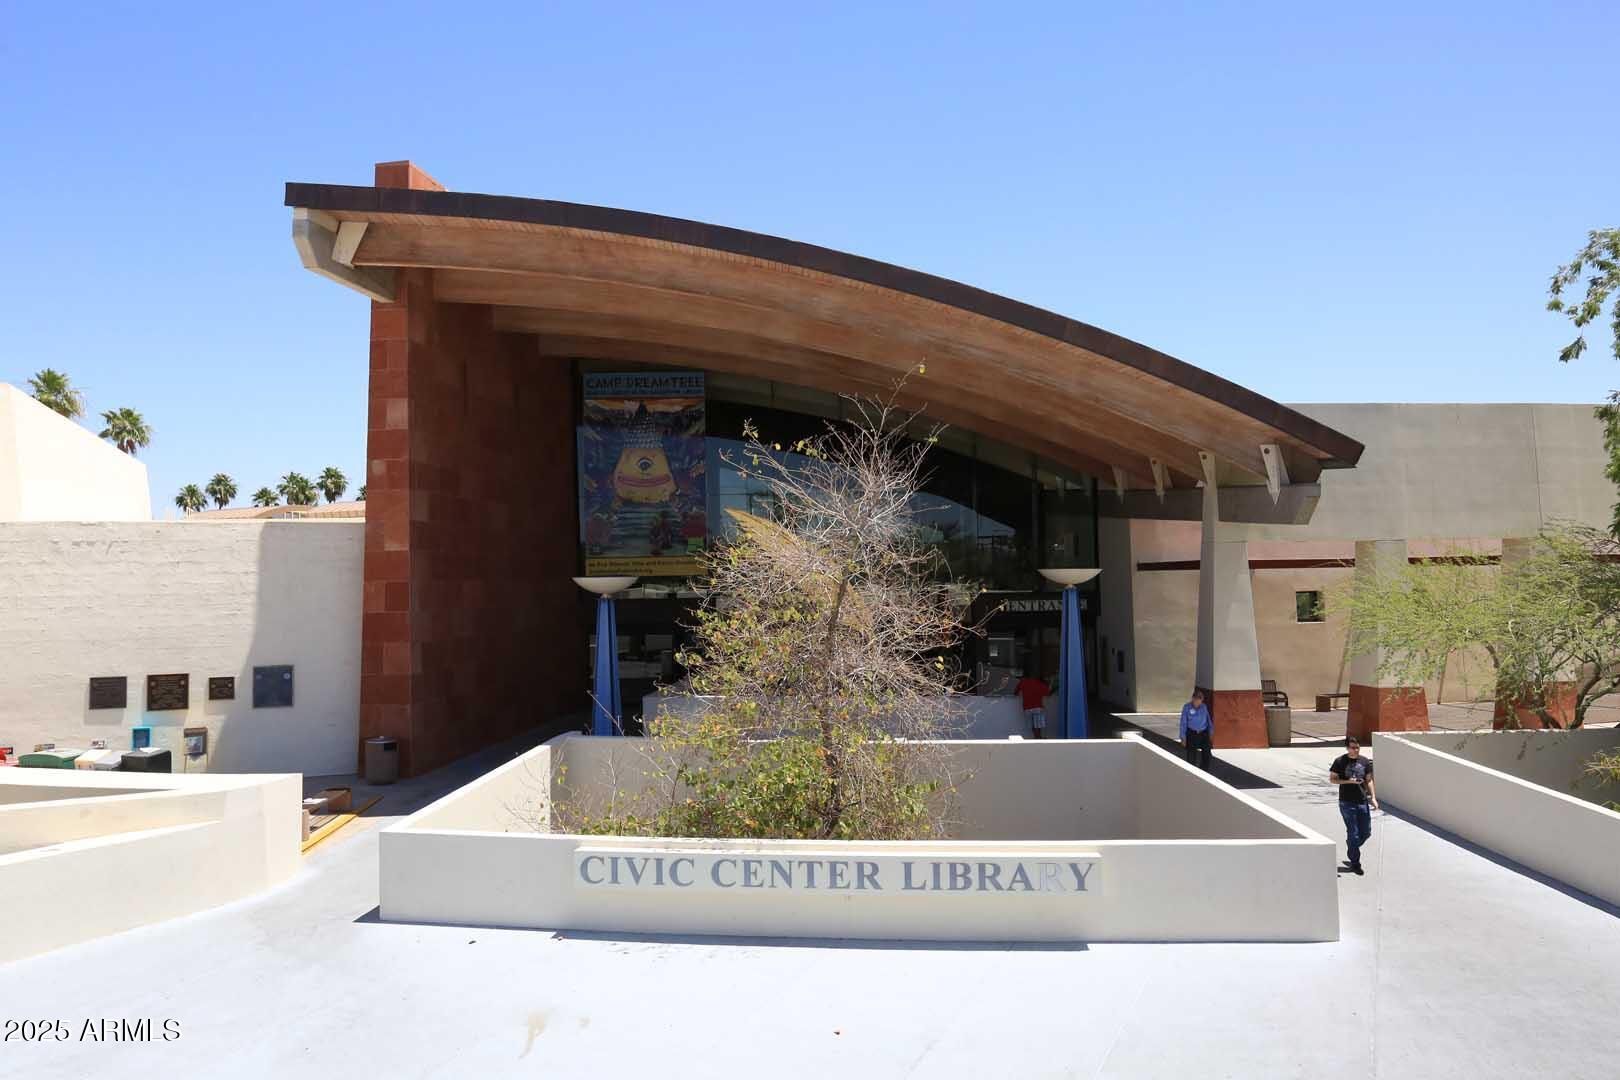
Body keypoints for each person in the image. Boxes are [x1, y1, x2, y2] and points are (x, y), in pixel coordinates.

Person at [1329, 737, 1379, 875]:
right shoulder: (1340, 761)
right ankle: (1355, 863)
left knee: (1366, 832)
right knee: (1354, 833)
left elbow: (1369, 780)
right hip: (1346, 802)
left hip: (1362, 801)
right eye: (1352, 748)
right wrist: (1348, 781)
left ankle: (1351, 846)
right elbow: (1332, 779)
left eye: (1357, 747)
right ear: (1347, 748)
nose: (1355, 750)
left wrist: (1373, 797)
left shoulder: (1364, 761)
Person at [1179, 689, 1213, 769]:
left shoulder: (1204, 707)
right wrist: (1183, 738)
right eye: (1196, 699)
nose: (1198, 702)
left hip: (1203, 732)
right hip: (1192, 733)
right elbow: (1183, 723)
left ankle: (1204, 771)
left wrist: (1211, 732)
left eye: (1200, 700)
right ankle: (1191, 771)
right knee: (1191, 754)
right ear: (1193, 698)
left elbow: (1208, 720)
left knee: (1207, 752)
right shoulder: (1187, 707)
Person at [1015, 669, 1050, 739]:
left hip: (1027, 708)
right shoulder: (1040, 683)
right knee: (1038, 726)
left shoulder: (1022, 682)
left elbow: (1015, 692)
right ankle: (1039, 739)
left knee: (1033, 727)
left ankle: (1037, 739)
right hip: (1037, 708)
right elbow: (1047, 693)